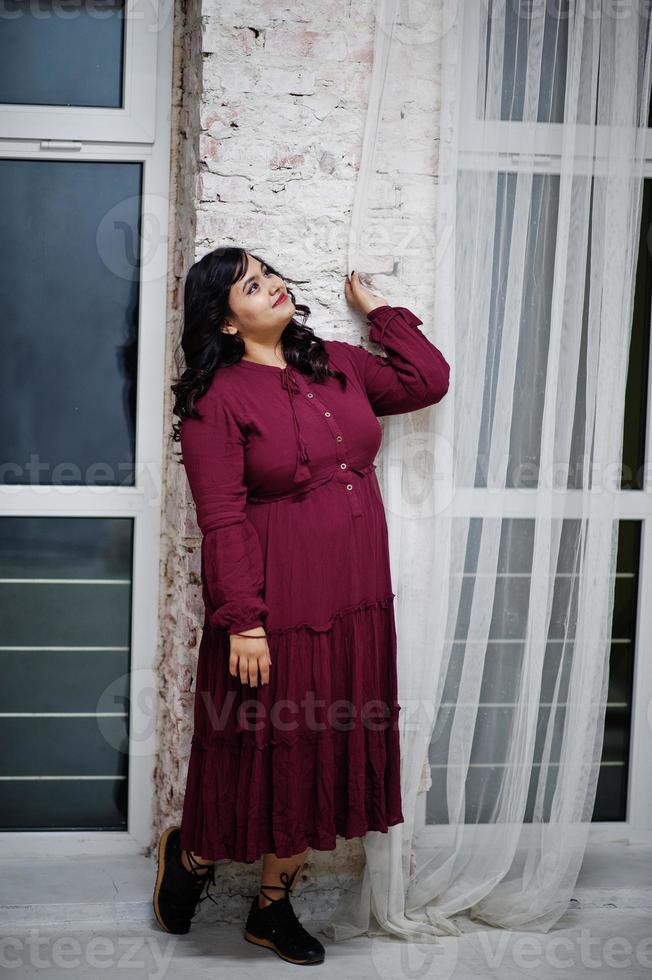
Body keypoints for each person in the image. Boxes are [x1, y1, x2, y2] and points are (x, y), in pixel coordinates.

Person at [152, 247, 450, 964]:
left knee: (324, 742)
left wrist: (379, 311)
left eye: (270, 272)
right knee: (269, 743)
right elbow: (221, 518)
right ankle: (191, 856)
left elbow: (427, 379)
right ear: (224, 321)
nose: (273, 286)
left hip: (354, 593)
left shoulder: (339, 363)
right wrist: (244, 622)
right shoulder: (214, 398)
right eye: (251, 285)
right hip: (275, 598)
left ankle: (271, 907)